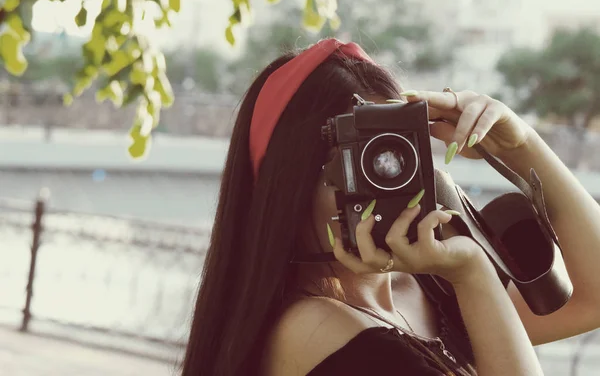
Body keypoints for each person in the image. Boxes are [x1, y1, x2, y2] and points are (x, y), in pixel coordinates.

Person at [180, 39, 600, 376]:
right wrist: (473, 273)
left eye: (397, 152)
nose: (381, 180)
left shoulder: (425, 288)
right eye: (357, 159)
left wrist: (521, 145)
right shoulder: (316, 332)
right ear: (291, 184)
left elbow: (593, 299)